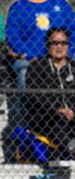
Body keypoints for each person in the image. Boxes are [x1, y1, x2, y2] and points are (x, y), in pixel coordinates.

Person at [25, 28, 75, 160]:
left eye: (63, 43)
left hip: (72, 116)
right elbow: (35, 97)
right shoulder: (36, 67)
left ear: (68, 46)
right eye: (55, 43)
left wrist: (72, 111)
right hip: (47, 117)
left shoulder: (73, 67)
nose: (59, 46)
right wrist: (57, 110)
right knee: (58, 123)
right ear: (48, 46)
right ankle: (68, 152)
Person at [6, 0, 74, 89]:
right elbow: (13, 37)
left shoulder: (62, 4)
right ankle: (25, 102)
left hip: (61, 58)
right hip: (29, 60)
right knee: (24, 73)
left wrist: (69, 53)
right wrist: (28, 55)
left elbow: (73, 33)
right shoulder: (18, 7)